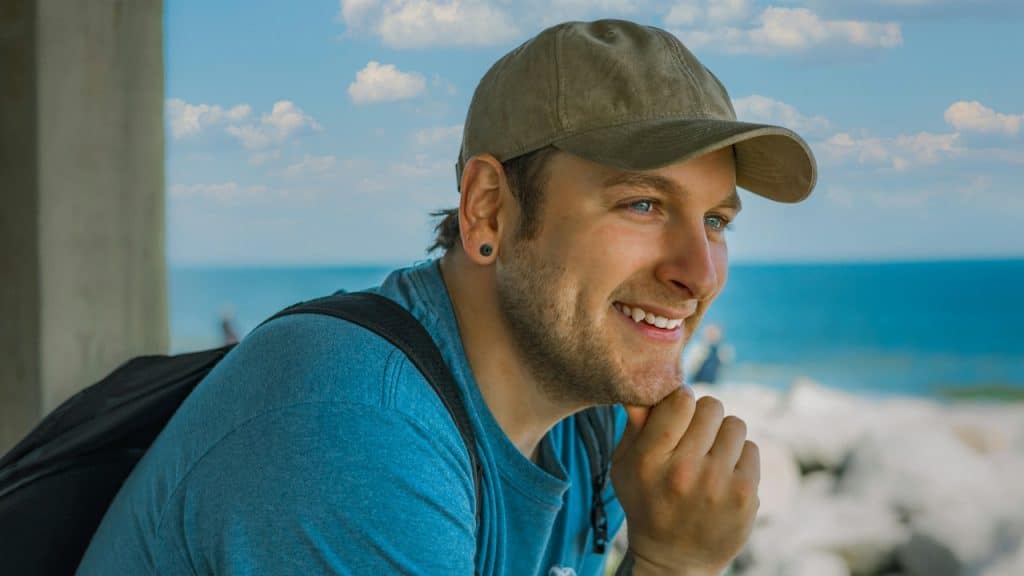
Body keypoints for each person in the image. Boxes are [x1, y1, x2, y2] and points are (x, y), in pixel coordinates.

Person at [77, 19, 816, 576]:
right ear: (488, 210)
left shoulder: (588, 426)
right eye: (643, 205)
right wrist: (674, 563)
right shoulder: (354, 427)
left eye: (716, 221)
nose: (701, 273)